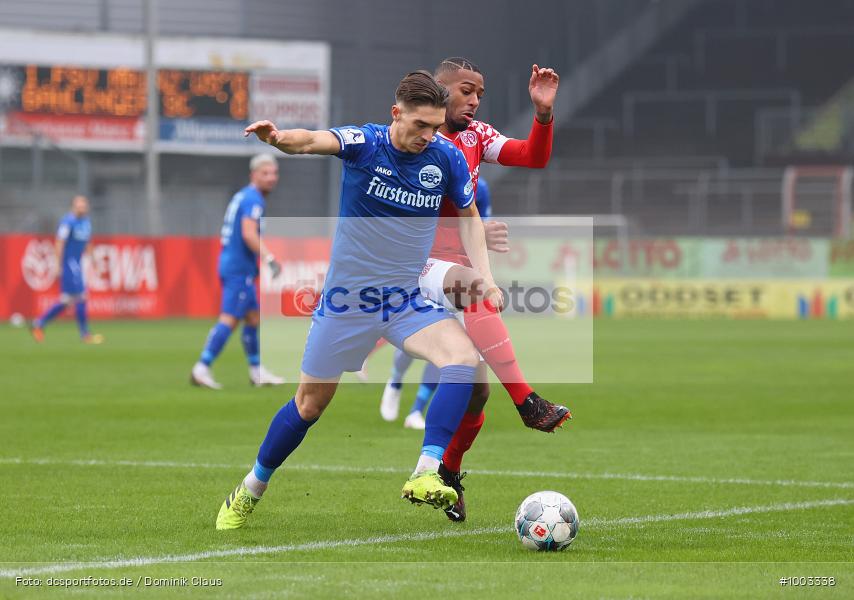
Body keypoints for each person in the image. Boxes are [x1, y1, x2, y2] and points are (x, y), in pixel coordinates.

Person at [215, 71, 495, 530]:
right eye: (421, 125)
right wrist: (280, 138)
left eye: (435, 125)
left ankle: (426, 472)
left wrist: (485, 276)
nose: (430, 135)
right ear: (396, 114)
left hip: (404, 299)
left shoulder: (445, 157)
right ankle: (251, 488)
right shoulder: (366, 143)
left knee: (461, 357)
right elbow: (311, 141)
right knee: (309, 405)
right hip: (348, 302)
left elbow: (469, 218)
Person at [385, 57, 570, 523]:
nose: (473, 101)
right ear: (439, 89)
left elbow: (533, 156)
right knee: (477, 290)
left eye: (480, 94)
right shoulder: (415, 137)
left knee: (475, 393)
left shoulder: (476, 135)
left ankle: (447, 471)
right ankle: (527, 400)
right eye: (466, 91)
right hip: (414, 263)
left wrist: (543, 113)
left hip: (453, 263)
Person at [382, 178, 495, 430]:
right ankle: (396, 380)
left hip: (455, 275)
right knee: (413, 341)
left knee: (449, 345)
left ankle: (416, 411)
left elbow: (479, 229)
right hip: (421, 268)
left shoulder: (480, 188)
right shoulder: (422, 177)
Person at [190, 154, 286, 389]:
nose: (271, 178)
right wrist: (270, 258)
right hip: (238, 268)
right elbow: (248, 233)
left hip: (234, 264)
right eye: (265, 173)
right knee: (230, 319)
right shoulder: (253, 199)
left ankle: (256, 371)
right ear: (253, 175)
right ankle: (201, 367)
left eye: (274, 173)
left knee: (253, 317)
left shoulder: (243, 195)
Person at [30, 195, 103, 344]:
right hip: (69, 263)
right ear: (73, 207)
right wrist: (57, 264)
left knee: (67, 300)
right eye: (79, 205)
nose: (82, 207)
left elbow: (88, 242)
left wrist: (94, 260)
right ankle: (85, 334)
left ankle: (39, 324)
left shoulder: (86, 222)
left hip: (77, 262)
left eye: (84, 205)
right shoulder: (67, 222)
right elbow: (59, 242)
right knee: (81, 296)